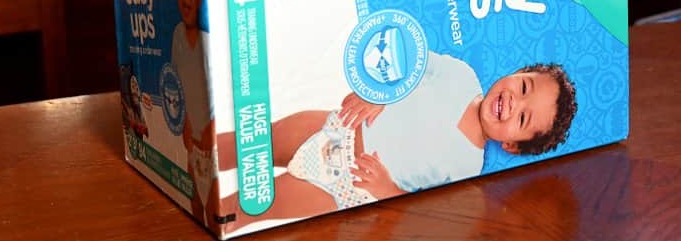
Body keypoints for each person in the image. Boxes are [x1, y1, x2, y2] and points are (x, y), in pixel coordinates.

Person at [205, 53, 577, 233]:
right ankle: (189, 151)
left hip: (345, 185)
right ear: (516, 73)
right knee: (253, 141)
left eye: (523, 119)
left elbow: (421, 212)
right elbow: (405, 62)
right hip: (340, 126)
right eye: (524, 87)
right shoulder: (461, 76)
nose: (515, 103)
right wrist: (380, 93)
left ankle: (208, 218)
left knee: (252, 204)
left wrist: (387, 189)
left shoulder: (468, 167)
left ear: (511, 146)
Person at [168, 0, 218, 223]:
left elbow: (224, 95)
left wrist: (210, 132)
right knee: (193, 210)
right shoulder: (177, 36)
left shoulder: (208, 42)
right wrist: (186, 125)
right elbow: (180, 87)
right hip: (192, 147)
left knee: (214, 213)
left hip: (212, 146)